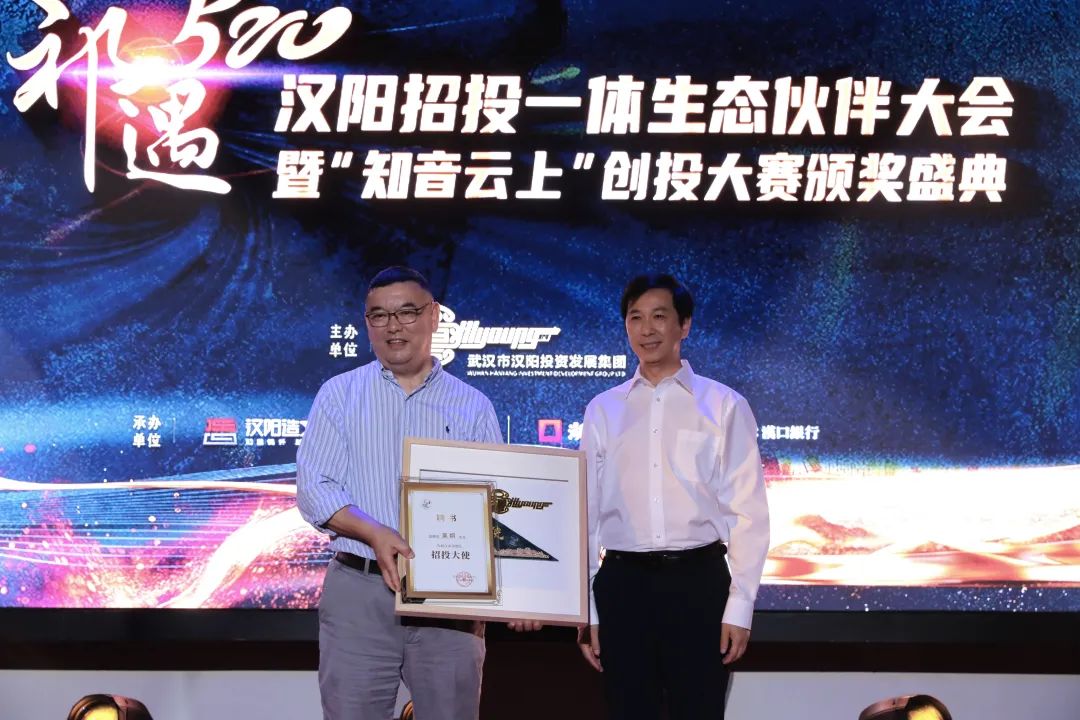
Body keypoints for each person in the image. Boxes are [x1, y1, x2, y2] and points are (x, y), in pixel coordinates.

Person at [296, 266, 506, 720]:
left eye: (407, 312)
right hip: (360, 590)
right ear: (367, 323)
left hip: (451, 598)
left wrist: (526, 589)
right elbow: (314, 489)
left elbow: (495, 507)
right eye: (379, 316)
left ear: (433, 316)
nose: (393, 326)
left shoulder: (472, 406)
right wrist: (375, 532)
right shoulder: (339, 395)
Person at [577, 274, 771, 720]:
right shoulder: (603, 409)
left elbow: (748, 511)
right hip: (622, 585)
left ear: (684, 325)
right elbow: (585, 513)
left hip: (698, 584)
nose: (646, 330)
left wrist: (740, 605)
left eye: (659, 317)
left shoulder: (724, 405)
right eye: (635, 318)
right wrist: (588, 609)